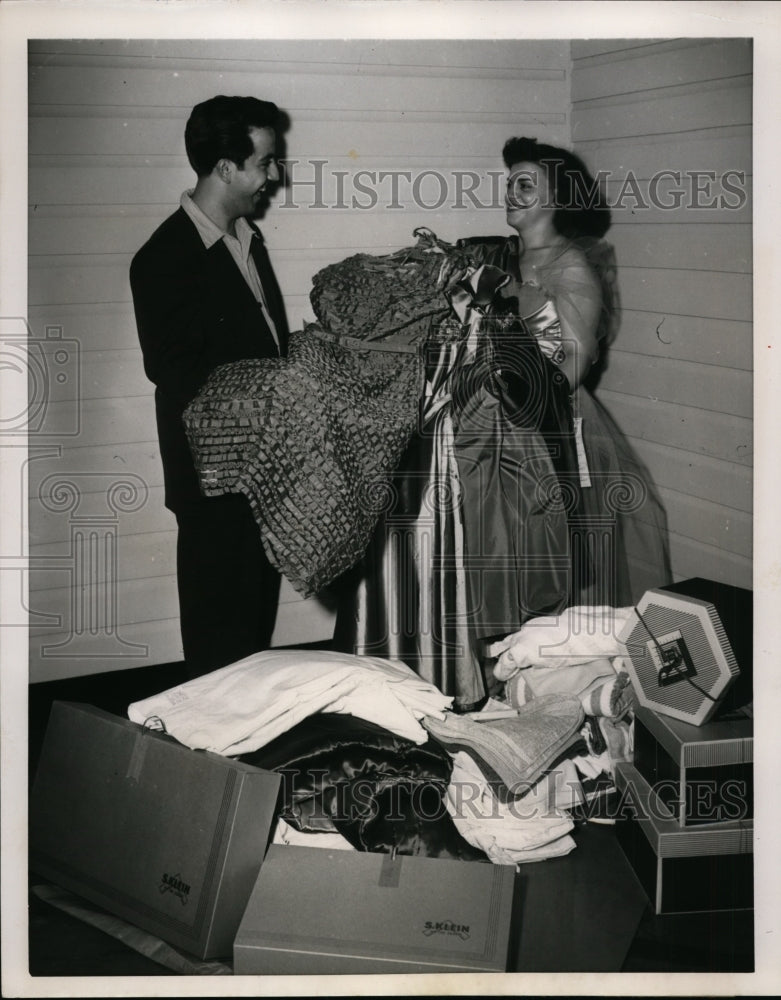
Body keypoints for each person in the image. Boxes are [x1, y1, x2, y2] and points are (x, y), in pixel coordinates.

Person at [334, 136, 671, 711]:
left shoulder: (574, 268)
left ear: (556, 197)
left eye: (524, 183)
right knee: (478, 550)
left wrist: (507, 352)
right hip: (486, 423)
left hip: (545, 430)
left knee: (544, 561)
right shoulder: (499, 258)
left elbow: (568, 369)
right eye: (509, 180)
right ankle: (481, 679)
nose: (509, 191)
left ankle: (544, 694)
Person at [130, 95, 289, 679]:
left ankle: (249, 763)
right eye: (265, 162)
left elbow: (262, 345)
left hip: (262, 478)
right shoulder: (163, 257)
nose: (274, 176)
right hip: (213, 487)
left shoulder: (247, 239)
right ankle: (212, 767)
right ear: (226, 166)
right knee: (218, 652)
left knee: (253, 636)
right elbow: (178, 377)